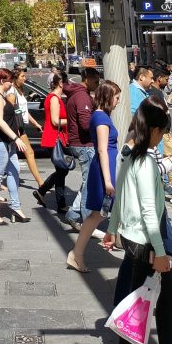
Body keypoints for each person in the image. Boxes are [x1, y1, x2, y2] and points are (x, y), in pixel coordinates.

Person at [103, 98, 172, 344]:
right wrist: (159, 252)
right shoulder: (144, 161)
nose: (163, 137)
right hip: (144, 244)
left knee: (162, 303)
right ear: (155, 130)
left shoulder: (130, 155)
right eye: (163, 132)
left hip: (135, 241)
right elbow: (148, 210)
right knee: (139, 310)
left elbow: (119, 198)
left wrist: (110, 230)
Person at [67, 81, 121, 273]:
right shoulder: (101, 118)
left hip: (104, 170)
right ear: (107, 97)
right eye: (116, 98)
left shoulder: (101, 116)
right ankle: (77, 253)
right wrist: (107, 180)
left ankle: (78, 253)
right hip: (103, 171)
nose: (117, 102)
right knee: (96, 215)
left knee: (97, 215)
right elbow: (102, 150)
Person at [0, 69, 29, 225]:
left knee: (15, 170)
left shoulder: (0, 95)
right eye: (9, 81)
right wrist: (16, 138)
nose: (11, 84)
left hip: (6, 141)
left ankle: (16, 207)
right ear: (2, 81)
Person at [64, 67, 100, 231]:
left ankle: (73, 214)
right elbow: (85, 124)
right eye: (97, 81)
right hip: (84, 144)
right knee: (89, 183)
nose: (98, 85)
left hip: (79, 143)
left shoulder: (77, 94)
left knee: (87, 182)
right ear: (89, 79)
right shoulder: (82, 97)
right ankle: (87, 220)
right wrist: (99, 124)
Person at [34, 72, 69, 213]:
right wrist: (72, 121)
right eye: (66, 82)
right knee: (62, 170)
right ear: (61, 83)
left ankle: (43, 192)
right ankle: (60, 204)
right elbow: (55, 121)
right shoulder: (54, 98)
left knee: (61, 171)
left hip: (56, 138)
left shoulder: (54, 97)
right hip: (54, 138)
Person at [7, 67, 44, 190]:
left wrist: (35, 124)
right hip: (16, 128)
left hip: (20, 126)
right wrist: (15, 130)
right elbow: (10, 112)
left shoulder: (20, 90)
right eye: (22, 76)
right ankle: (41, 183)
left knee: (10, 155)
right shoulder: (12, 92)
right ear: (16, 78)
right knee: (29, 152)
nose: (25, 78)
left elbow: (23, 111)